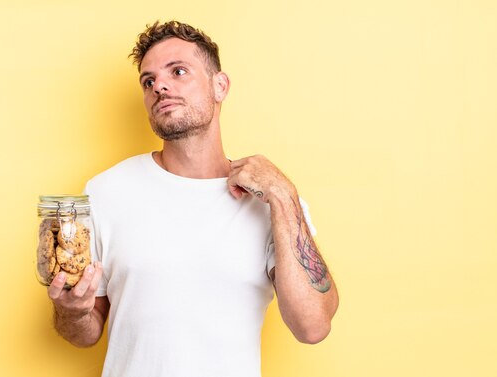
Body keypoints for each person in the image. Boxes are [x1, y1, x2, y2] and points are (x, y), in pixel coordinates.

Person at [47, 20, 339, 377]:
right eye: (148, 81)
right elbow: (86, 333)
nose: (160, 87)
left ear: (220, 86)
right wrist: (72, 311)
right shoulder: (106, 191)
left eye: (178, 71)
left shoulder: (270, 201)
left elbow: (313, 326)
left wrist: (283, 194)